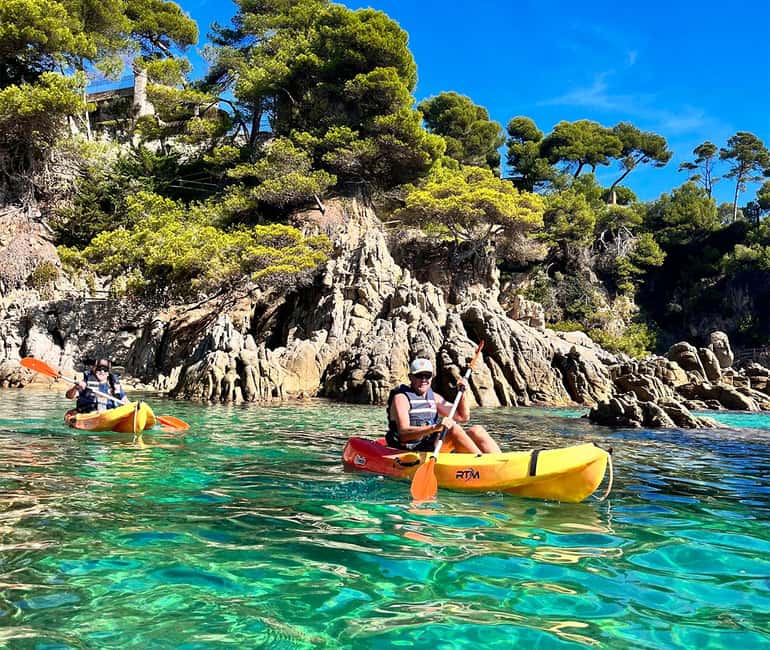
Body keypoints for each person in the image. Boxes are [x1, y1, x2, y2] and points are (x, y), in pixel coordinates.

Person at [385, 357, 501, 455]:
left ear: (432, 377)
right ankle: (481, 464)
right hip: (412, 449)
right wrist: (435, 427)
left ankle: (500, 462)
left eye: (427, 375)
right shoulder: (401, 398)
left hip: (430, 444)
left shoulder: (434, 397)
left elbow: (463, 417)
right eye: (419, 375)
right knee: (453, 428)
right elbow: (404, 434)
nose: (424, 379)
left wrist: (462, 393)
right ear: (410, 377)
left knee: (476, 430)